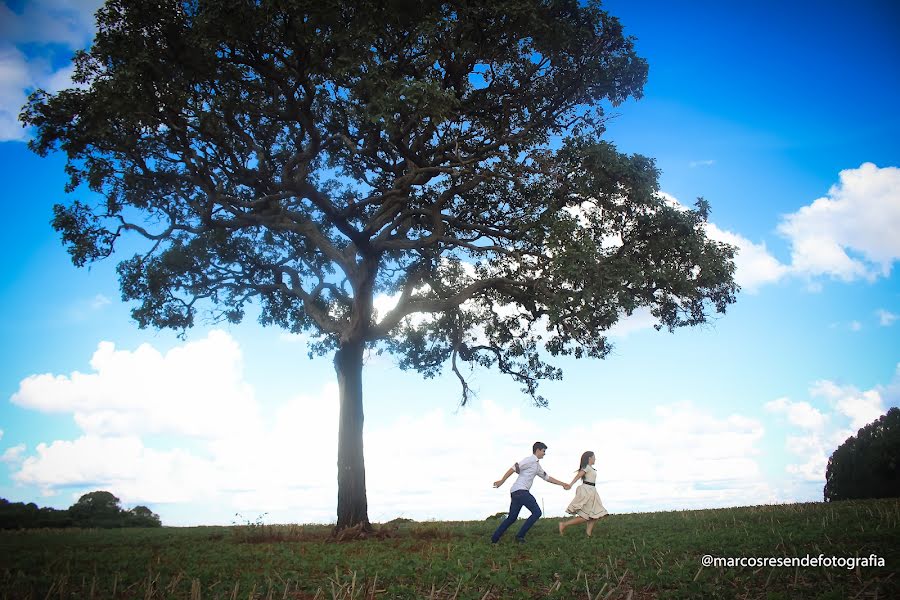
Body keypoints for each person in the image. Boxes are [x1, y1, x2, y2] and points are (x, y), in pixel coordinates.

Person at [491, 441, 571, 544]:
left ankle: (494, 539)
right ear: (537, 450)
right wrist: (501, 481)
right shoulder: (529, 460)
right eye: (543, 451)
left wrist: (563, 484)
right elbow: (514, 468)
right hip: (521, 491)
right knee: (537, 512)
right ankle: (520, 536)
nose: (544, 453)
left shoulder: (537, 465)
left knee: (512, 518)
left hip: (516, 492)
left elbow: (547, 477)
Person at [558, 450, 608, 537]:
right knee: (585, 517)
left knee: (593, 515)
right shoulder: (587, 467)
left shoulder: (591, 468)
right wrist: (570, 485)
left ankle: (588, 535)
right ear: (590, 458)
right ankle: (564, 524)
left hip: (592, 490)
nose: (595, 459)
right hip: (587, 491)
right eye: (594, 457)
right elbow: (578, 476)